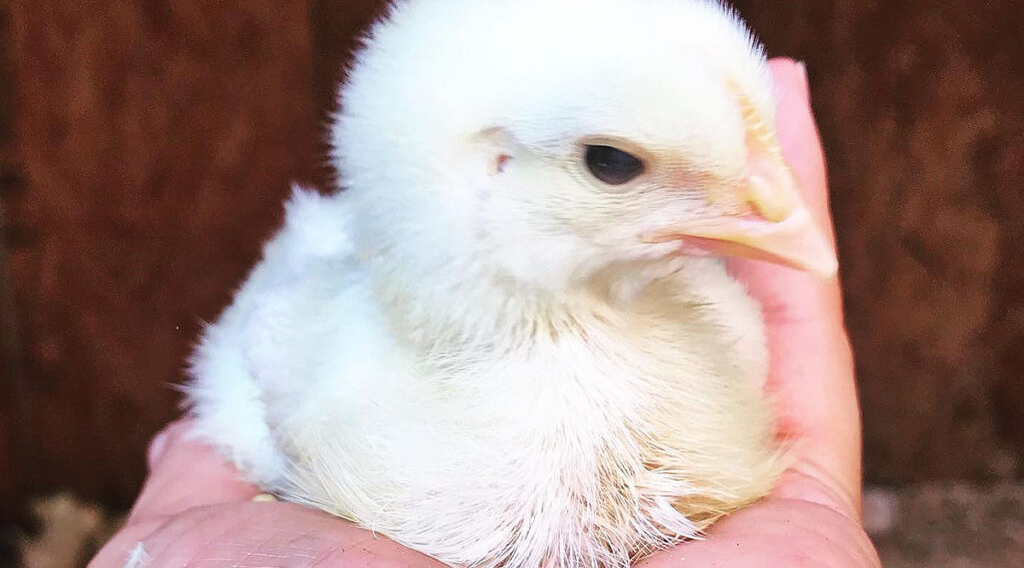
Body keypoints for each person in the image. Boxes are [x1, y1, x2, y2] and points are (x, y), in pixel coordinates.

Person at [89, 59, 882, 568]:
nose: (784, 222)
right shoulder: (320, 352)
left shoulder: (716, 328)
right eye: (613, 163)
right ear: (490, 168)